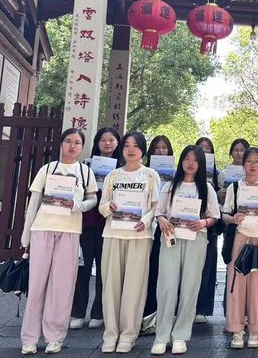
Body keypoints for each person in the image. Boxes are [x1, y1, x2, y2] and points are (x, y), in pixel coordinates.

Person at [20, 128, 98, 355]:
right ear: (61, 144)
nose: (72, 146)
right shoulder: (48, 169)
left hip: (70, 231)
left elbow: (93, 199)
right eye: (68, 141)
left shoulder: (85, 172)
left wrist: (78, 206)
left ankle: (55, 337)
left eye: (77, 142)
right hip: (43, 229)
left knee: (62, 286)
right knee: (37, 285)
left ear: (82, 147)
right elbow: (33, 202)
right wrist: (26, 236)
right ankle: (29, 338)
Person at [150, 146, 221, 355]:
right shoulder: (170, 186)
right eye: (187, 159)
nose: (190, 163)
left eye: (195, 160)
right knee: (167, 286)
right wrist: (162, 220)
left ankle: (180, 335)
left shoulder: (207, 188)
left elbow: (214, 216)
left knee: (190, 286)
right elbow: (159, 211)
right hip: (171, 238)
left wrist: (203, 222)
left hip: (196, 239)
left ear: (201, 164)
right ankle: (162, 336)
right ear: (181, 161)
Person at [98, 131, 160, 354]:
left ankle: (128, 335)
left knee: (135, 287)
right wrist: (109, 207)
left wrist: (146, 220)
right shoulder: (113, 175)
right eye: (127, 145)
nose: (131, 149)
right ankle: (110, 334)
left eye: (136, 145)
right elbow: (102, 205)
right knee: (111, 286)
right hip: (113, 234)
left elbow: (156, 206)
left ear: (142, 150)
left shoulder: (150, 175)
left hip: (139, 236)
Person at [222, 147, 258, 349]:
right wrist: (233, 218)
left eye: (256, 161)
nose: (253, 165)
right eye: (249, 161)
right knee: (236, 284)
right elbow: (225, 214)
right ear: (243, 164)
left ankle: (255, 330)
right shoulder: (235, 187)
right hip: (240, 238)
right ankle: (237, 330)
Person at [71, 127, 121, 331]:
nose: (107, 143)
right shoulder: (86, 165)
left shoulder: (122, 168)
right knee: (81, 268)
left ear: (117, 143)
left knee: (104, 270)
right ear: (97, 143)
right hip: (86, 222)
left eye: (111, 140)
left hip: (109, 225)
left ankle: (98, 313)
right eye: (103, 140)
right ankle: (77, 312)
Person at [142, 135, 175, 331]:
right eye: (157, 147)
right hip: (145, 226)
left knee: (162, 273)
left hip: (165, 228)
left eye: (164, 147)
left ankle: (162, 317)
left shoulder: (176, 174)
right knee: (147, 273)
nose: (161, 151)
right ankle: (146, 317)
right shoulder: (144, 173)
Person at [193, 137, 220, 324]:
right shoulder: (183, 175)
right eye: (200, 147)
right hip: (187, 226)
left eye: (207, 148)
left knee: (207, 267)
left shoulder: (219, 175)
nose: (204, 150)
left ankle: (201, 308)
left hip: (210, 225)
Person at [217, 138, 250, 205]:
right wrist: (219, 195)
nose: (239, 153)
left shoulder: (254, 173)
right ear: (231, 153)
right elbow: (221, 202)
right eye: (236, 150)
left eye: (242, 150)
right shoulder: (223, 173)